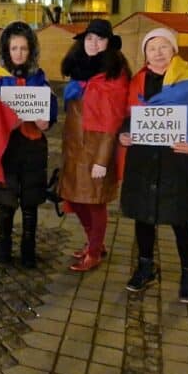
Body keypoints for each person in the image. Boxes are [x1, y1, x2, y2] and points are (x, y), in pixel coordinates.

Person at [118, 28, 188, 302]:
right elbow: (128, 115)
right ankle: (145, 267)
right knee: (143, 218)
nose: (157, 52)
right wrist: (124, 133)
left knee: (181, 221)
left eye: (164, 46)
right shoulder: (136, 81)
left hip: (177, 162)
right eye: (151, 47)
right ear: (145, 53)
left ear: (174, 50)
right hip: (143, 159)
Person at [58, 19, 131, 272]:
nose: (94, 43)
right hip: (75, 148)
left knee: (94, 202)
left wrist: (102, 159)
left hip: (98, 148)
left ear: (108, 43)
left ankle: (95, 251)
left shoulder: (114, 75)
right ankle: (94, 243)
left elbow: (113, 120)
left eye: (100, 39)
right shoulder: (79, 72)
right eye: (89, 38)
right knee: (76, 199)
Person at [0, 21, 56, 268]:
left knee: (30, 203)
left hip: (33, 147)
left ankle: (28, 251)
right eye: (14, 48)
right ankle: (2, 250)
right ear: (6, 50)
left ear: (31, 50)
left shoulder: (40, 80)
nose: (18, 53)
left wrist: (46, 121)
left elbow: (51, 114)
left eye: (23, 48)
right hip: (5, 149)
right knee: (6, 204)